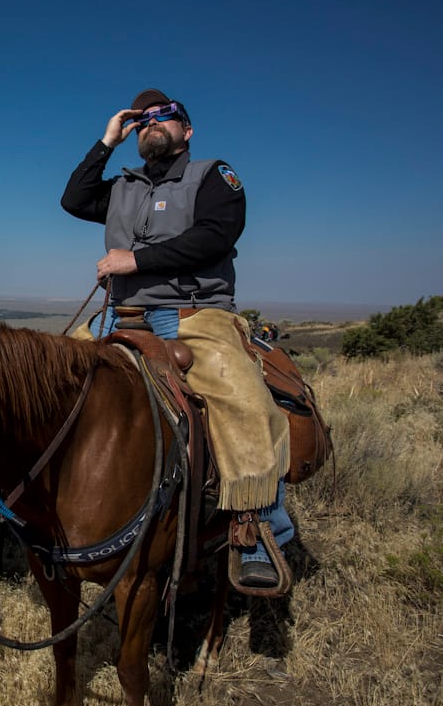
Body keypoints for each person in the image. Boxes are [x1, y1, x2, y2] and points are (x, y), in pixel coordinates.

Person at [61, 88, 292, 588]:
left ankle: (259, 529)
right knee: (53, 378)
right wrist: (105, 142)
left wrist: (136, 260)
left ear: (187, 131)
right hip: (121, 315)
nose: (152, 124)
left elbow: (218, 233)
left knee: (243, 397)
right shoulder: (123, 185)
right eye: (142, 120)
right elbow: (74, 199)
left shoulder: (212, 175)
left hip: (193, 313)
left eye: (165, 117)